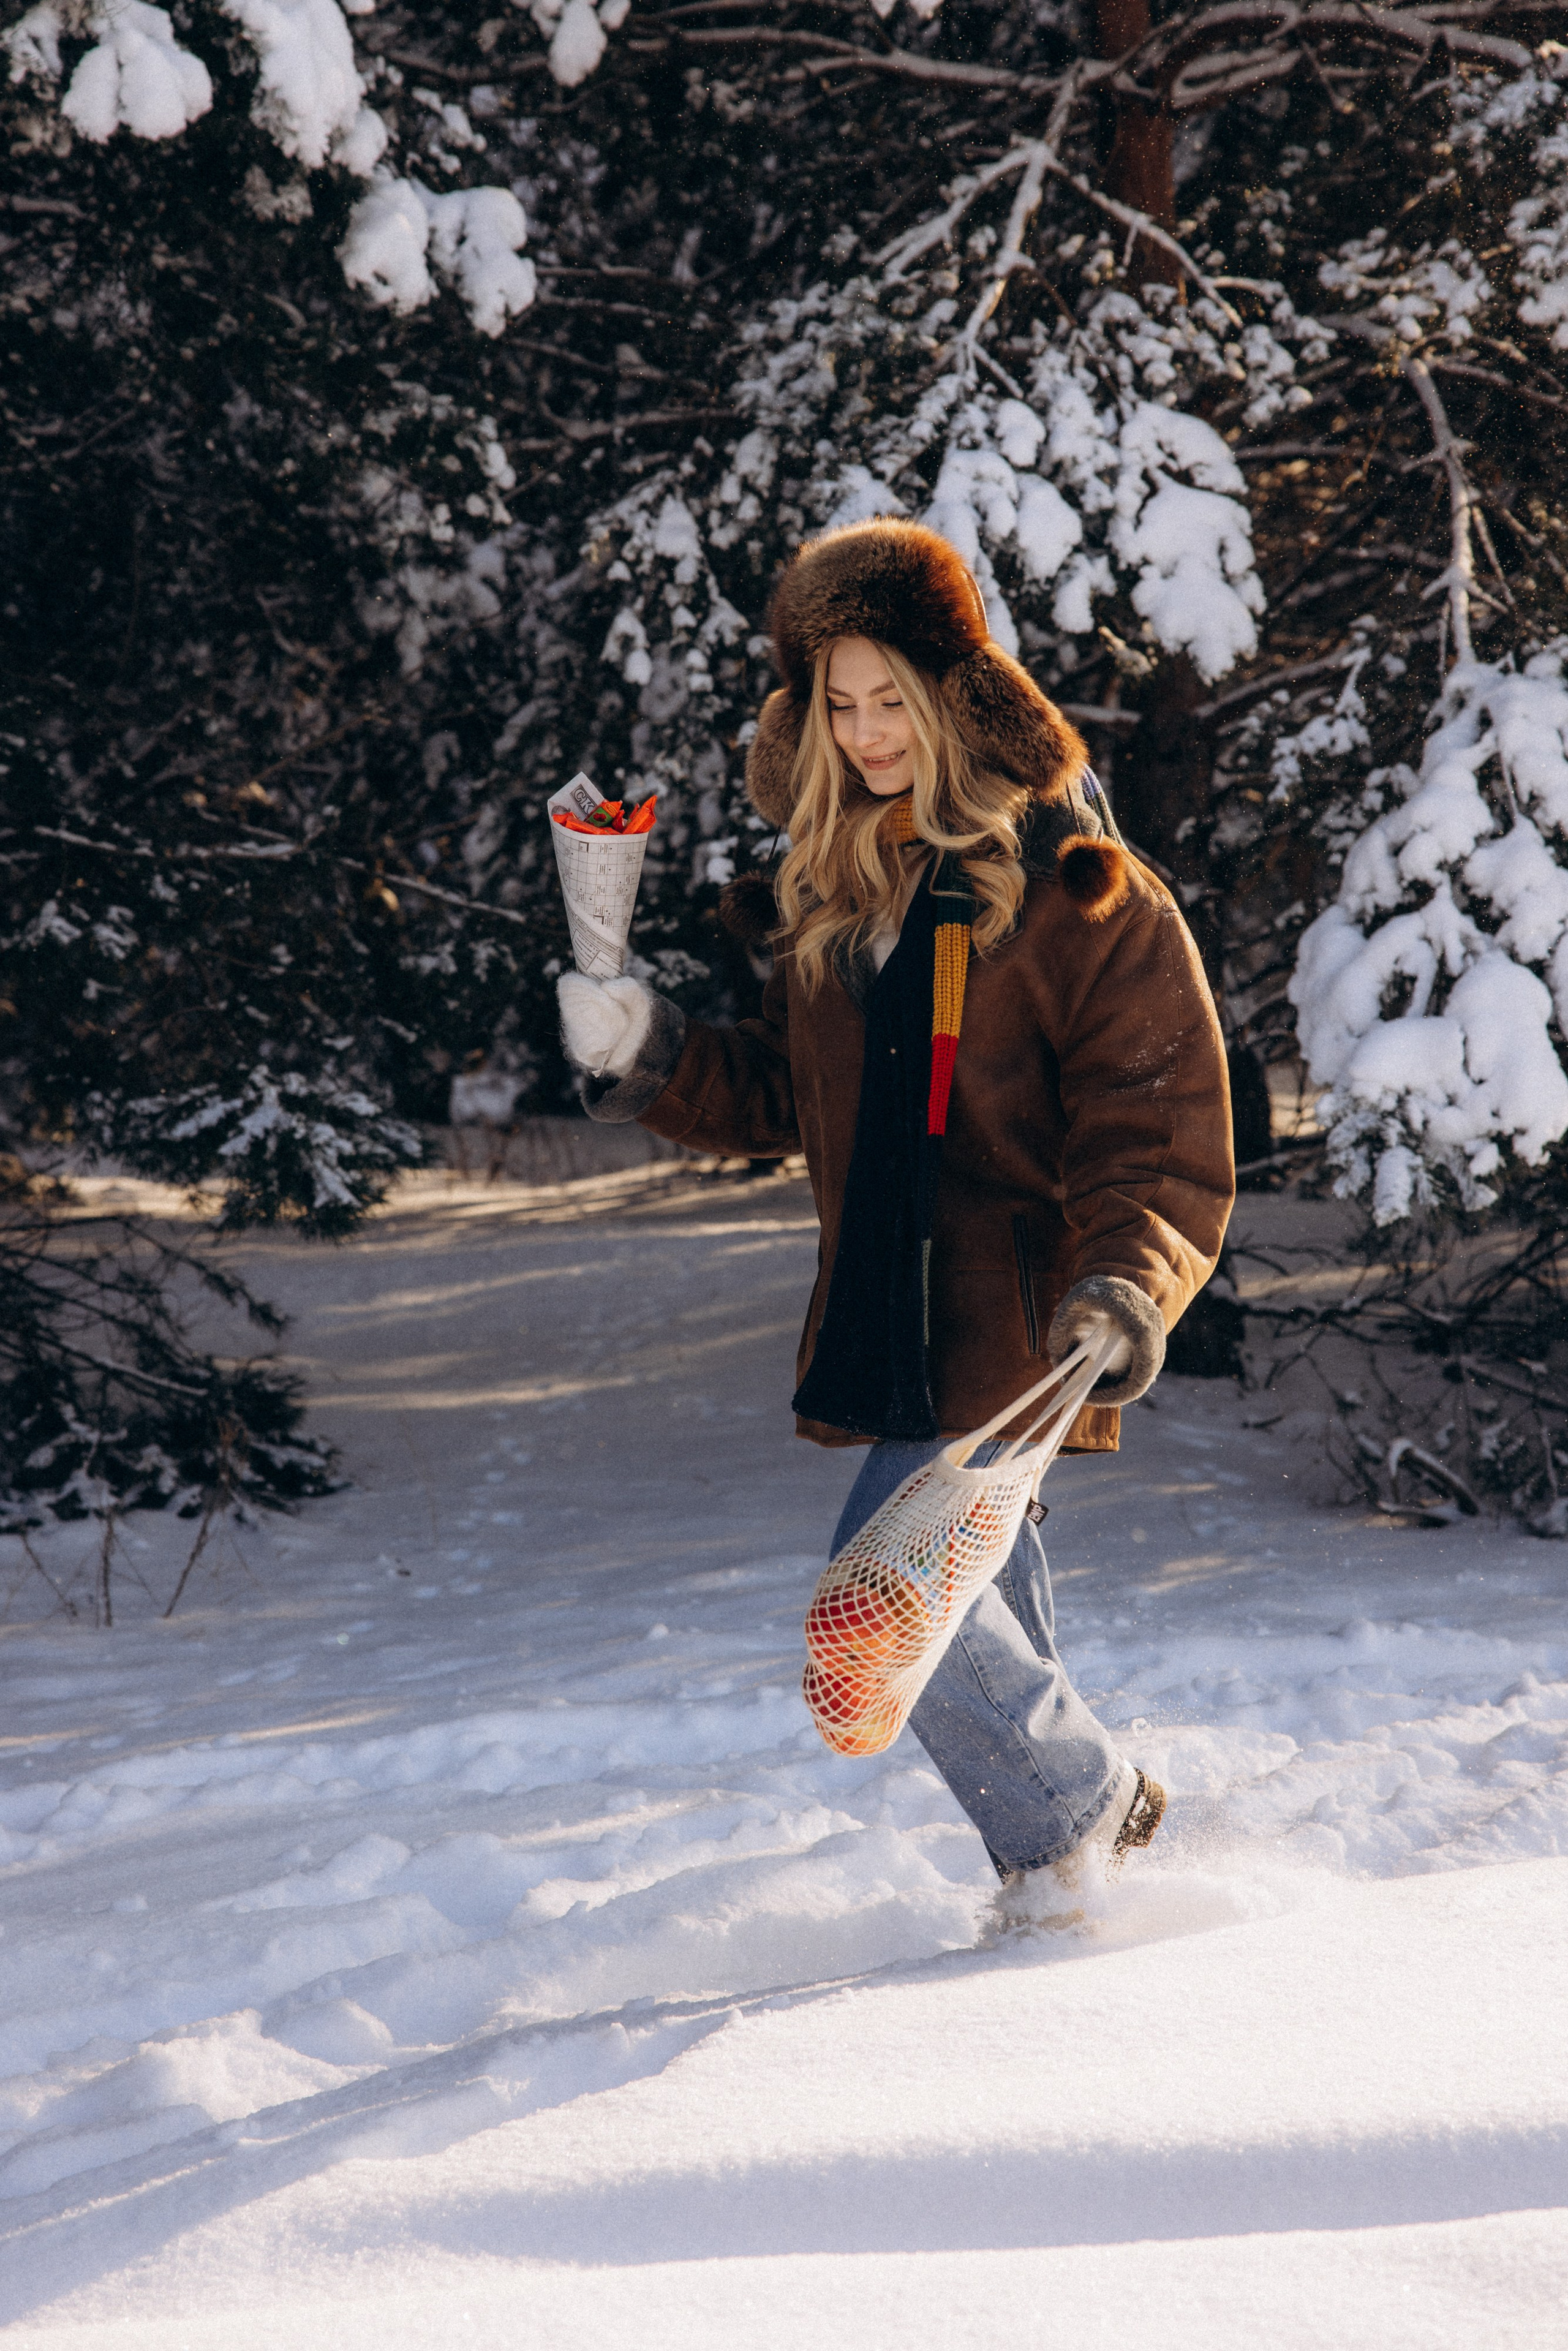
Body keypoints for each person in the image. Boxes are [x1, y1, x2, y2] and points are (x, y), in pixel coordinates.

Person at [558, 519, 1234, 1915]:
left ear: (951, 693)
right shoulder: (835, 886)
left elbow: (1149, 1116)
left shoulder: (1075, 887)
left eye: (890, 701)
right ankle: (1065, 1895)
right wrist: (645, 1045)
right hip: (887, 1311)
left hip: (1023, 1317)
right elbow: (788, 1101)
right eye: (837, 705)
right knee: (978, 1618)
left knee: (875, 1609)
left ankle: (1088, 1814)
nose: (867, 734)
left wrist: (1126, 1282)